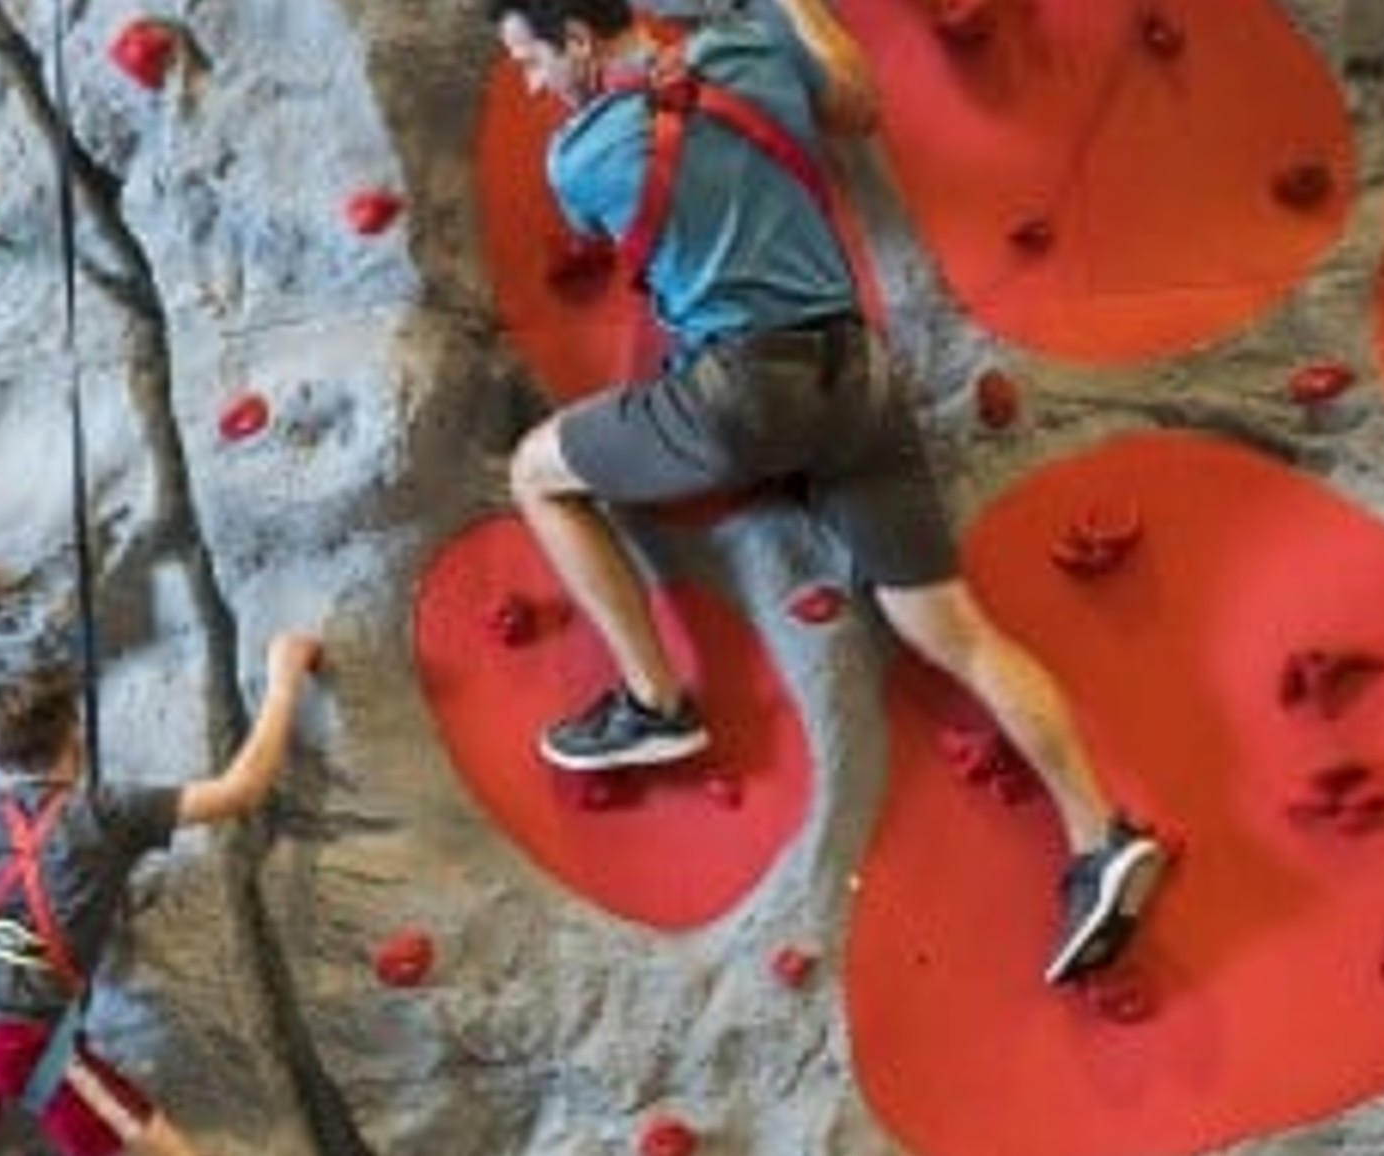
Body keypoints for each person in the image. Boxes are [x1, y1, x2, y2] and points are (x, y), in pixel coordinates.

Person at [489, 0, 1171, 985]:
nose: (531, 85)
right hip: (858, 378)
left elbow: (612, 228)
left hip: (741, 397)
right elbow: (853, 101)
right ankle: (1098, 833)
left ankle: (654, 699)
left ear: (580, 42)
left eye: (529, 61)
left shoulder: (581, 156)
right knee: (958, 632)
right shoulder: (751, 49)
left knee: (535, 470)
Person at [0, 632, 324, 1156]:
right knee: (163, 1148)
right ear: (74, 734)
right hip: (26, 1037)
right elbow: (240, 789)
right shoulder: (106, 812)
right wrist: (285, 676)